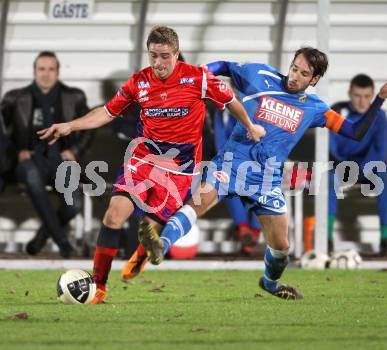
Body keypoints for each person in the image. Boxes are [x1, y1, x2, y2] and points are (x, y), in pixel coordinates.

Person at [137, 47, 387, 301]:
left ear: (315, 79)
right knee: (199, 202)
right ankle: (161, 244)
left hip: (266, 180)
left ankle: (270, 283)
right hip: (232, 163)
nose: (295, 76)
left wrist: (380, 99)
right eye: (294, 68)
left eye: (304, 74)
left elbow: (355, 131)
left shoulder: (315, 107)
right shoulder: (259, 74)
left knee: (282, 247)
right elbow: (226, 66)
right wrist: (200, 73)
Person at [38, 25, 264, 304]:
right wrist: (71, 126)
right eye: (153, 56)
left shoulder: (199, 78)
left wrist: (250, 126)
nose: (158, 63)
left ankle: (143, 254)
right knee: (113, 215)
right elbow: (107, 112)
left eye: (165, 56)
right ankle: (99, 288)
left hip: (181, 170)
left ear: (177, 54)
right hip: (143, 160)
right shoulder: (138, 82)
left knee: (150, 229)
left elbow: (231, 100)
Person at [0, 51, 91, 257]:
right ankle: (64, 245)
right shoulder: (15, 98)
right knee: (31, 175)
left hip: (61, 161)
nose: (46, 74)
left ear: (58, 72)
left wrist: (74, 151)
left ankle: (41, 238)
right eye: (42, 69)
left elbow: (89, 128)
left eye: (51, 69)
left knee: (74, 204)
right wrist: (17, 153)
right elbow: (2, 135)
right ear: (34, 71)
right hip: (29, 161)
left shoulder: (73, 97)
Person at [328, 74, 387, 256]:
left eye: (367, 96)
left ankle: (385, 239)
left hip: (369, 168)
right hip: (341, 166)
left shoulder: (379, 116)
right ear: (350, 93)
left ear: (374, 95)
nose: (362, 101)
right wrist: (346, 165)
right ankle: (326, 239)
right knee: (326, 178)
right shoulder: (337, 112)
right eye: (358, 96)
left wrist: (362, 167)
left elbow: (381, 152)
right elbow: (333, 147)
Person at [214, 108, 261, 254]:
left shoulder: (257, 108)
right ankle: (249, 230)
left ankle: (247, 229)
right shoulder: (220, 113)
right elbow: (219, 139)